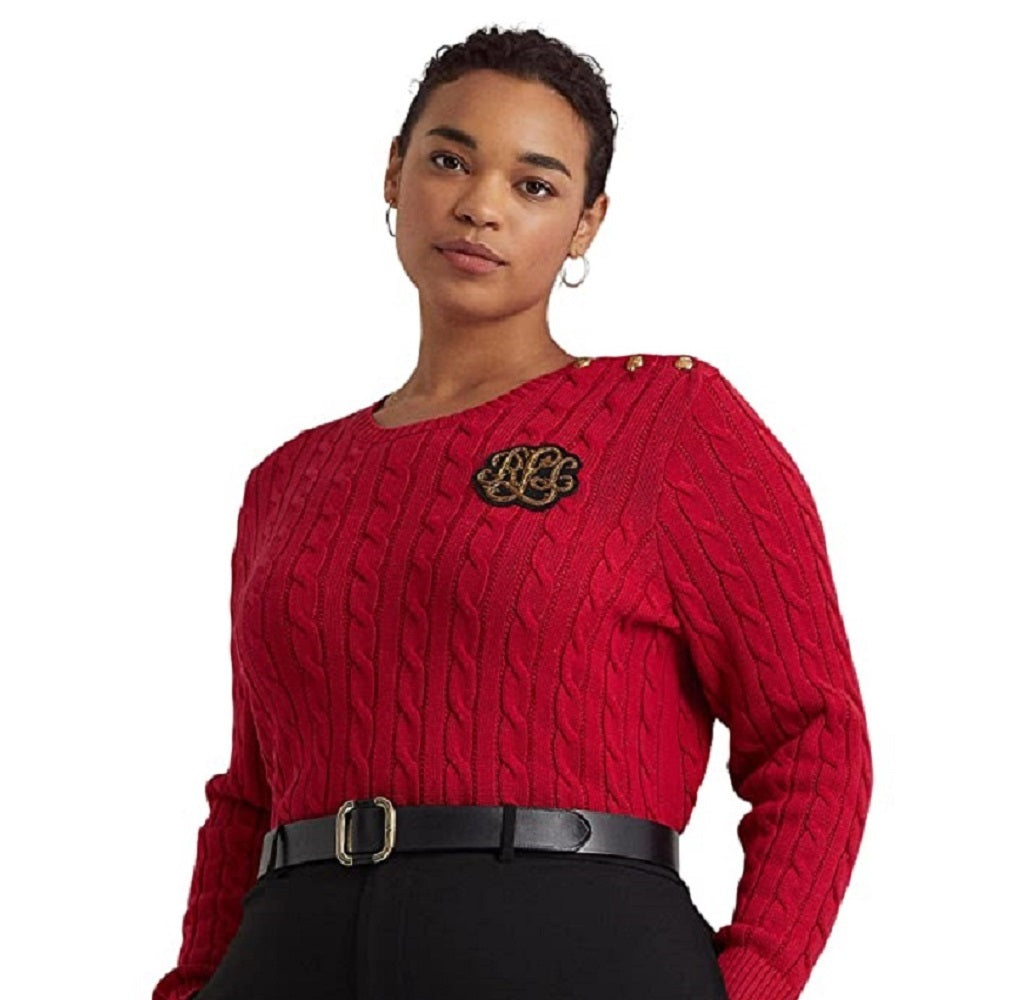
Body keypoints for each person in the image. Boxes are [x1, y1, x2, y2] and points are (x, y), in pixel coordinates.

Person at [152, 24, 873, 1000]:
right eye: (449, 160)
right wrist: (191, 986)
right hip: (288, 951)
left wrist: (753, 981)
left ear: (585, 223)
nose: (480, 206)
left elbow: (814, 735)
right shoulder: (288, 480)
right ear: (394, 172)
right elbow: (249, 794)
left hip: (570, 949)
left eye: (533, 185)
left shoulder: (669, 423)